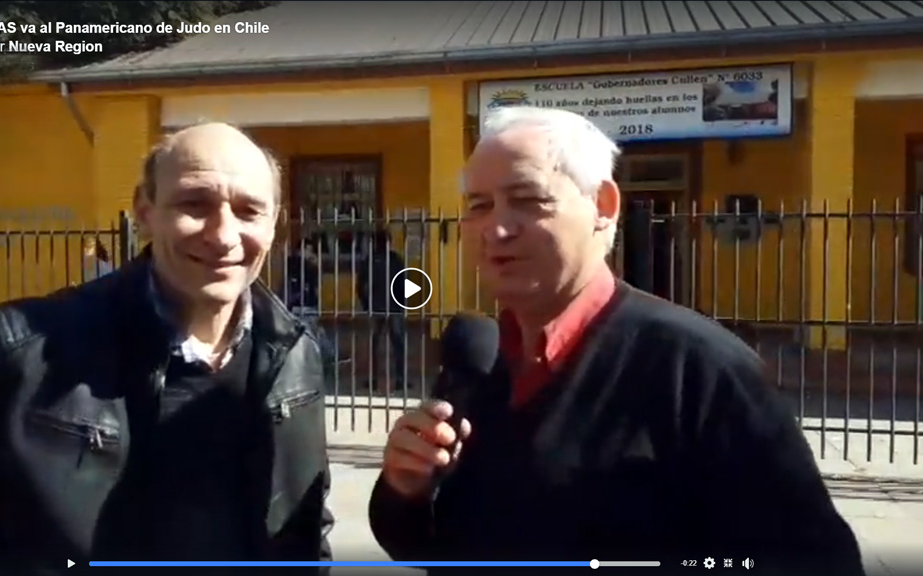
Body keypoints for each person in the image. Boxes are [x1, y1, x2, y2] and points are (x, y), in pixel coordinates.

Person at [368, 106, 865, 575]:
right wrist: (404, 489)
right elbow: (435, 546)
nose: (495, 228)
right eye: (478, 205)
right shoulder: (477, 356)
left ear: (603, 206)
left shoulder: (701, 369)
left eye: (528, 200)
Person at [0, 123, 334, 572]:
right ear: (144, 210)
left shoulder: (294, 354)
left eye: (249, 211)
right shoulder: (21, 345)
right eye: (194, 204)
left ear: (276, 221)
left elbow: (305, 524)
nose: (223, 235)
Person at [355, 230, 407, 393]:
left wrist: (366, 304)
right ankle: (400, 379)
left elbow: (361, 286)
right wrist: (402, 304)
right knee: (397, 344)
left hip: (375, 307)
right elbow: (403, 284)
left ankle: (373, 379)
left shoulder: (370, 260)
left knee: (374, 345)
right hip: (394, 307)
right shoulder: (395, 259)